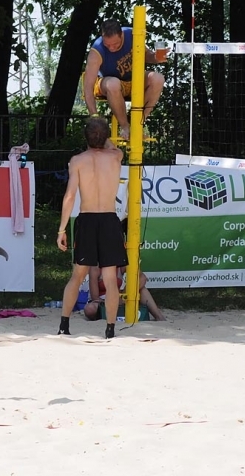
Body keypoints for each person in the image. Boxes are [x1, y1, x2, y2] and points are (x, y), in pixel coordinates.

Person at [56, 116, 127, 339]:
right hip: (109, 220)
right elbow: (110, 145)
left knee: (77, 275)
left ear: (85, 137)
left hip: (87, 219)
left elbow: (69, 196)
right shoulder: (116, 156)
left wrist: (61, 229)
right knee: (109, 277)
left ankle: (64, 325)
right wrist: (103, 136)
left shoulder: (77, 160)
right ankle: (110, 329)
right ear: (106, 137)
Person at [82, 18, 166, 140]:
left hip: (133, 81)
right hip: (108, 83)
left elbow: (146, 55)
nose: (111, 48)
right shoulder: (96, 51)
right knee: (113, 84)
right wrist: (94, 117)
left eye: (115, 44)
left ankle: (138, 123)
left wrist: (156, 58)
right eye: (107, 45)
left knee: (158, 78)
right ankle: (125, 126)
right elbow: (88, 88)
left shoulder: (133, 35)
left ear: (121, 35)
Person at [83, 264, 166, 322]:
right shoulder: (95, 267)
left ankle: (159, 317)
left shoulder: (121, 265)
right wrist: (112, 302)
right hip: (102, 301)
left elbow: (142, 278)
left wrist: (124, 295)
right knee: (89, 309)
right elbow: (95, 297)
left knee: (142, 289)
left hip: (120, 298)